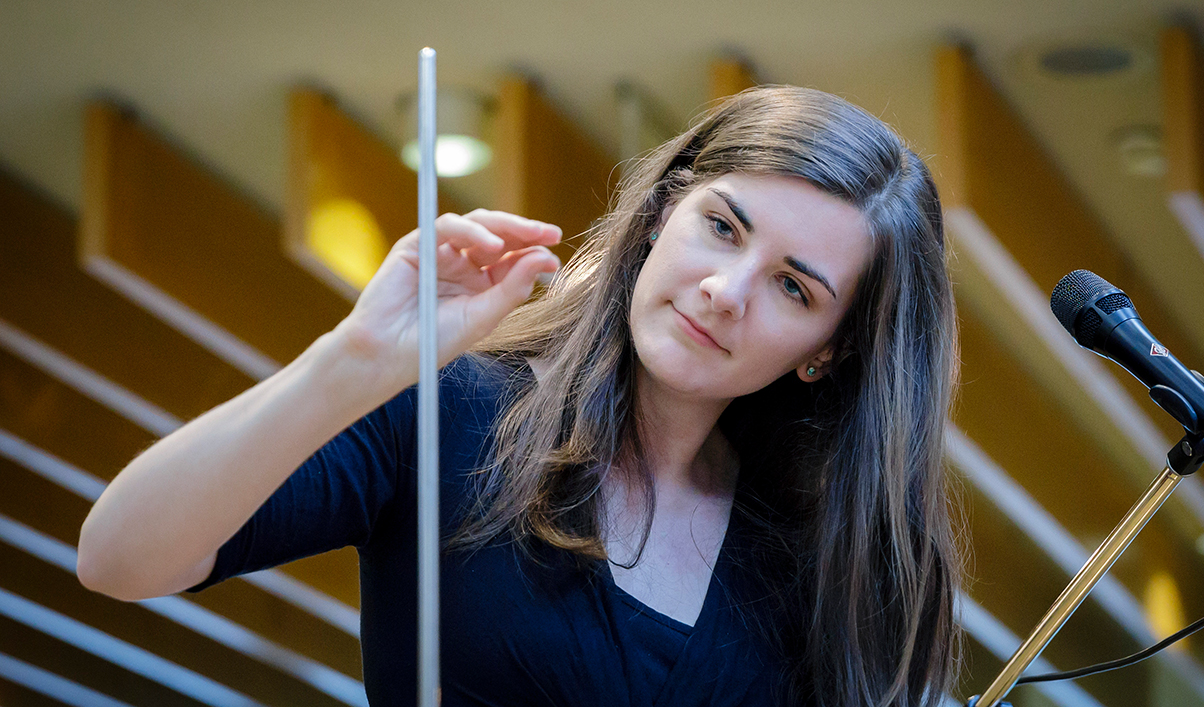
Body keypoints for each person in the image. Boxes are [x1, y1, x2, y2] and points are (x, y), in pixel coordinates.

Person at [78, 85, 961, 706]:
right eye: (721, 227)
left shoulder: (818, 559)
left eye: (793, 287)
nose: (725, 290)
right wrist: (352, 360)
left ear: (828, 352)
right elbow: (118, 558)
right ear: (662, 214)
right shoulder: (454, 408)